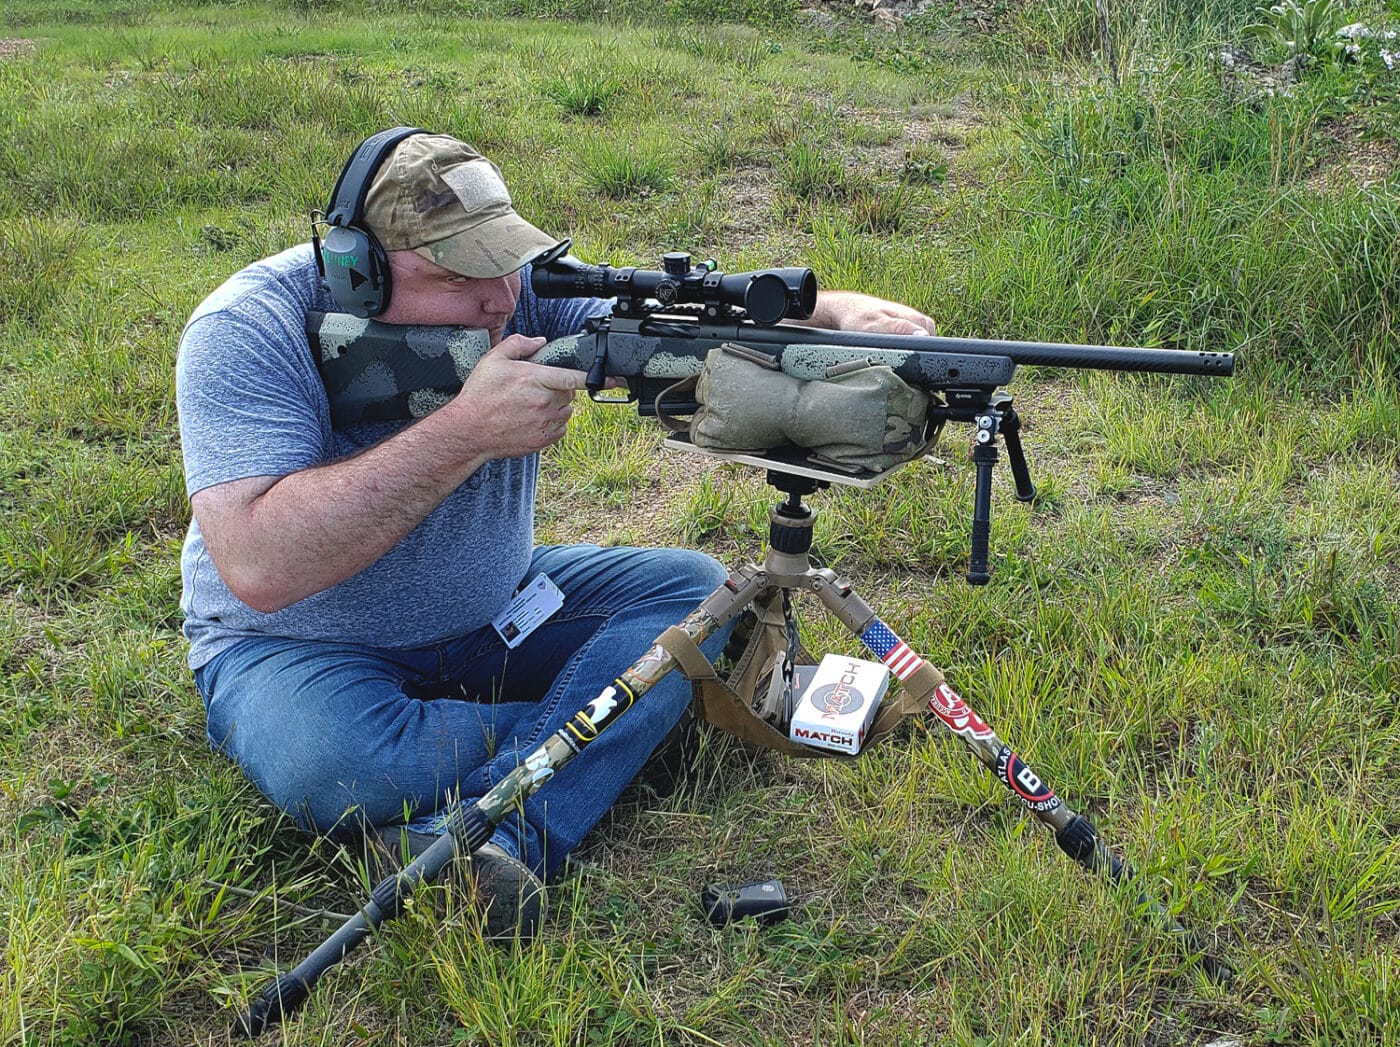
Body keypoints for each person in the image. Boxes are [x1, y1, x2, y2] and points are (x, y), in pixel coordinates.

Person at [175, 130, 937, 939]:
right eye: (459, 274)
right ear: (355, 269)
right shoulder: (248, 329)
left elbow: (677, 323)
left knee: (689, 588)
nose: (500, 297)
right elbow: (258, 562)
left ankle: (485, 826)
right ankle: (620, 725)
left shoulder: (521, 292)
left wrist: (829, 314)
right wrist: (465, 430)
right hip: (295, 644)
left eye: (504, 258)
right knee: (340, 764)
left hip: (495, 608)